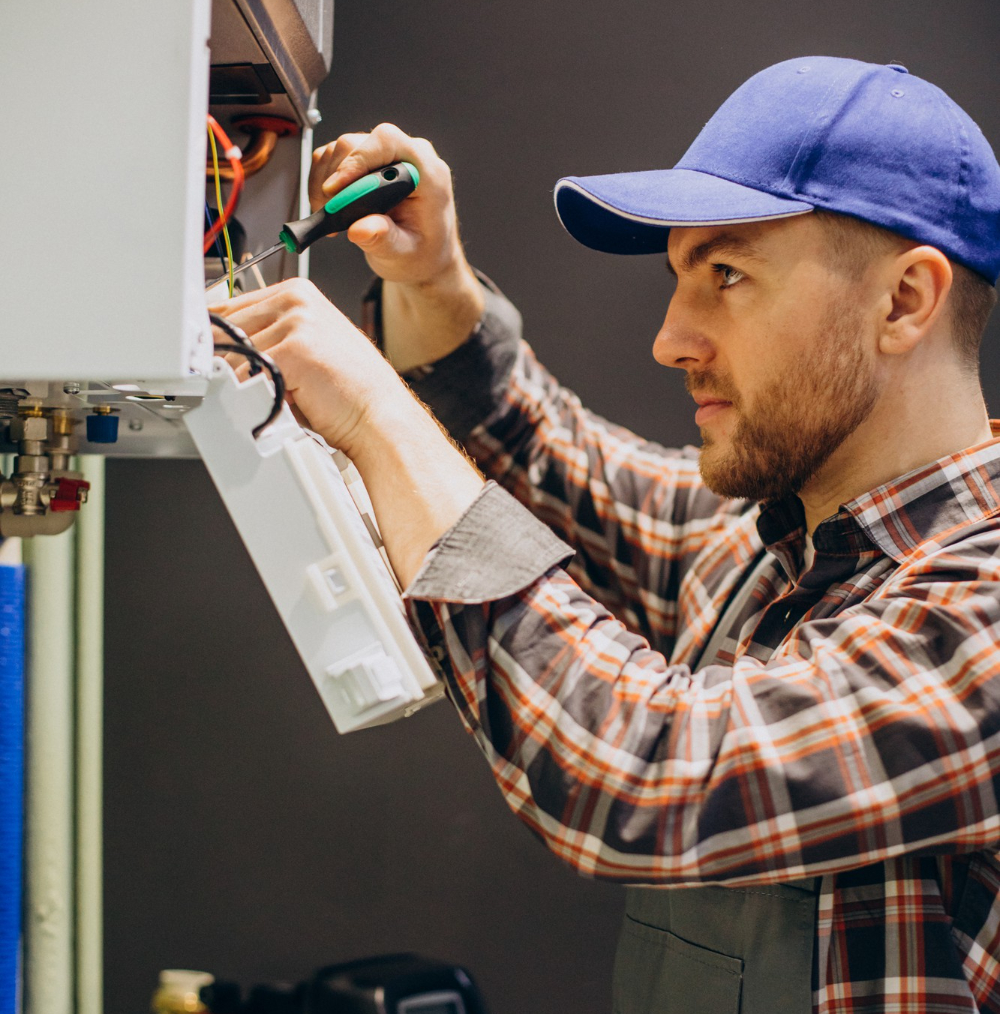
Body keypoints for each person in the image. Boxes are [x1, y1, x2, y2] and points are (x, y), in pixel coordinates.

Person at [212, 56, 1000, 1014]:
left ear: (904, 301)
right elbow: (551, 458)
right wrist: (433, 280)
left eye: (728, 274)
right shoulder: (774, 546)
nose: (671, 339)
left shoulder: (983, 611)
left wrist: (378, 416)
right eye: (681, 278)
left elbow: (652, 775)